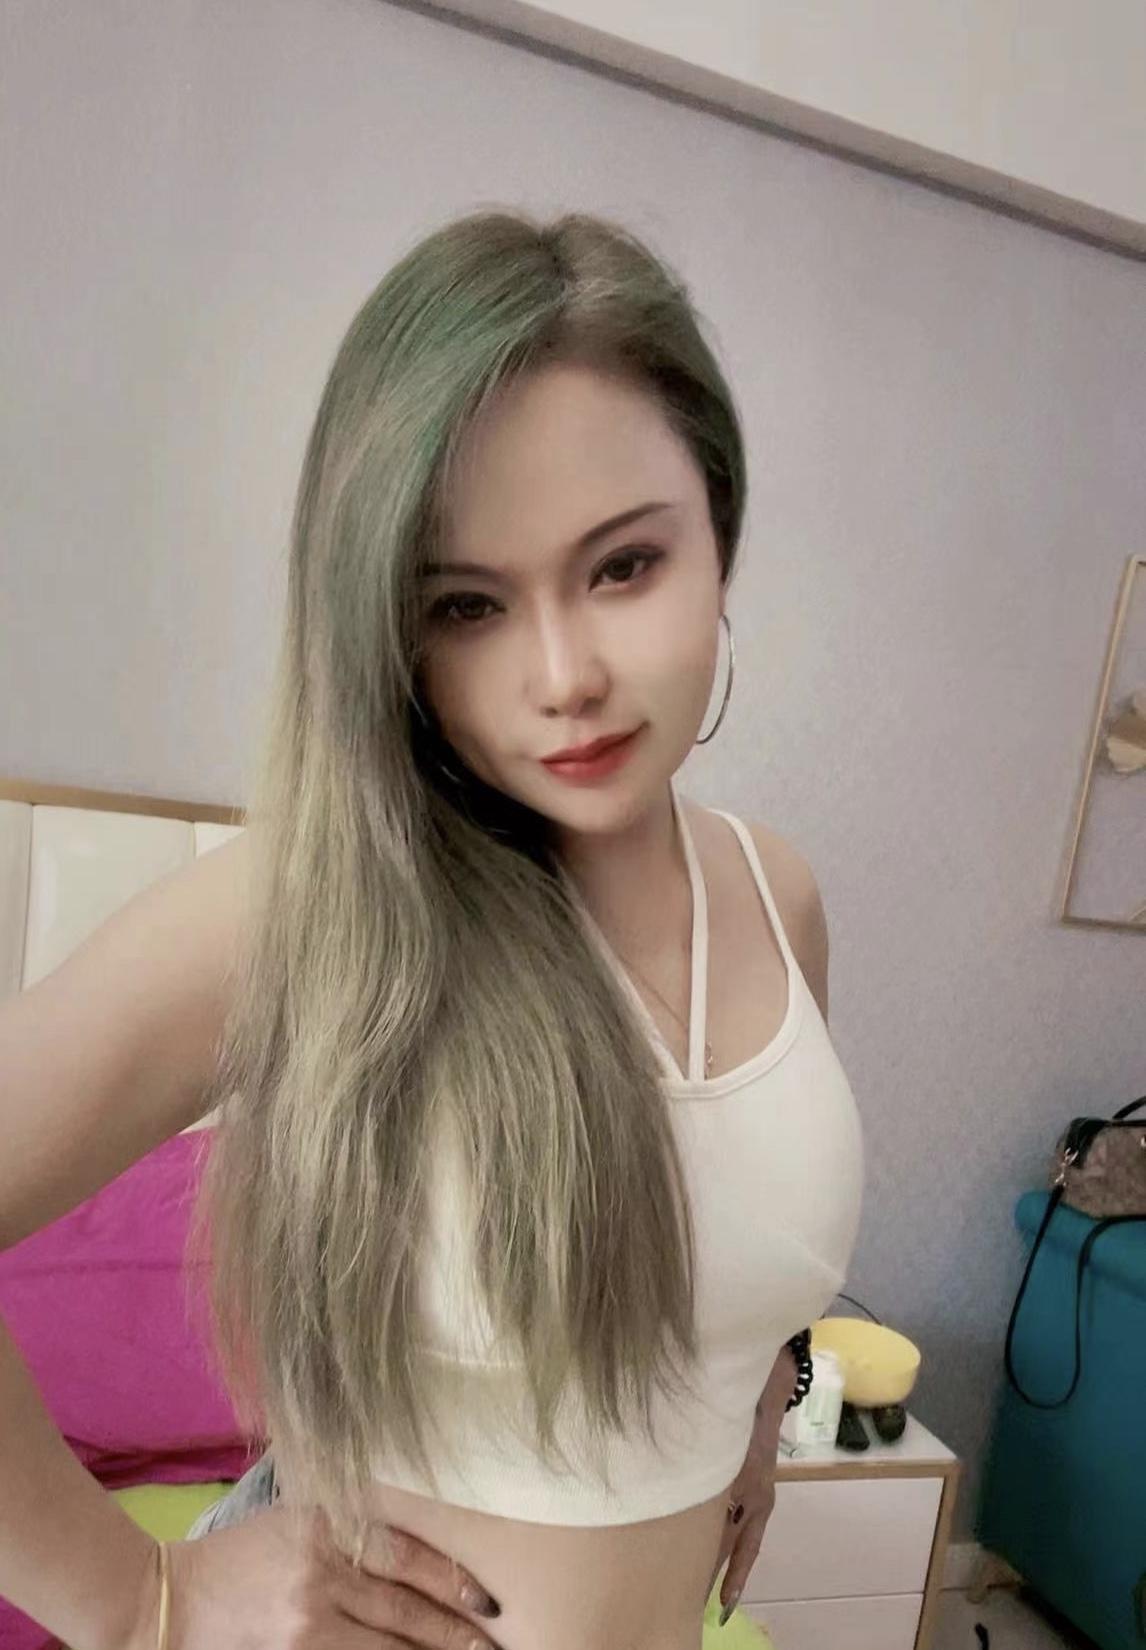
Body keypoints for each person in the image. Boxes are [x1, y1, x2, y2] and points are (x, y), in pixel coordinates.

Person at [0, 206, 865, 1650]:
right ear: (389, 635)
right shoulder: (314, 912)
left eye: (622, 567)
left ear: (719, 532)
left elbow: (739, 1238)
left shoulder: (778, 899)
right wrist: (137, 1596)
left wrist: (761, 1401)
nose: (563, 674)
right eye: (467, 605)